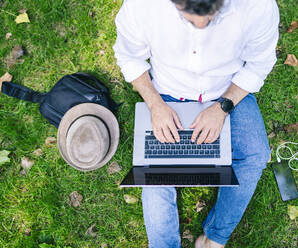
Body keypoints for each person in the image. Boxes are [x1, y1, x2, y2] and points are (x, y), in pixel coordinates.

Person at [113, 0, 279, 247]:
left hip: (227, 88)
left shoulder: (258, 6)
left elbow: (259, 65)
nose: (201, 27)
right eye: (189, 19)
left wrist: (224, 106)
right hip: (166, 93)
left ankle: (214, 237)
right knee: (154, 167)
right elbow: (128, 57)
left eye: (213, 18)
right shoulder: (143, 5)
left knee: (255, 153)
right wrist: (155, 104)